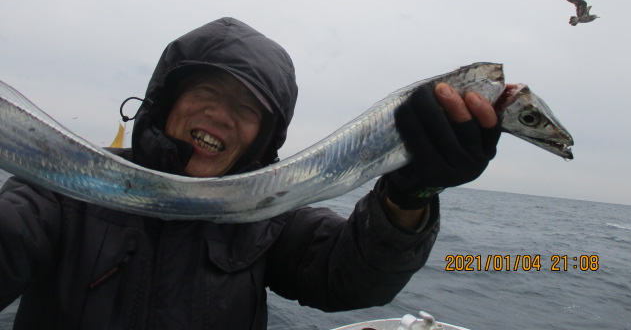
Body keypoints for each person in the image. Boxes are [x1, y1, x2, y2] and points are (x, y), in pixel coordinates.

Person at [0, 17, 500, 329]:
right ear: (166, 102)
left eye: (246, 109)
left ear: (263, 138)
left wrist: (411, 194)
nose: (220, 116)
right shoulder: (59, 191)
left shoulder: (267, 217)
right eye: (207, 93)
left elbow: (349, 280)